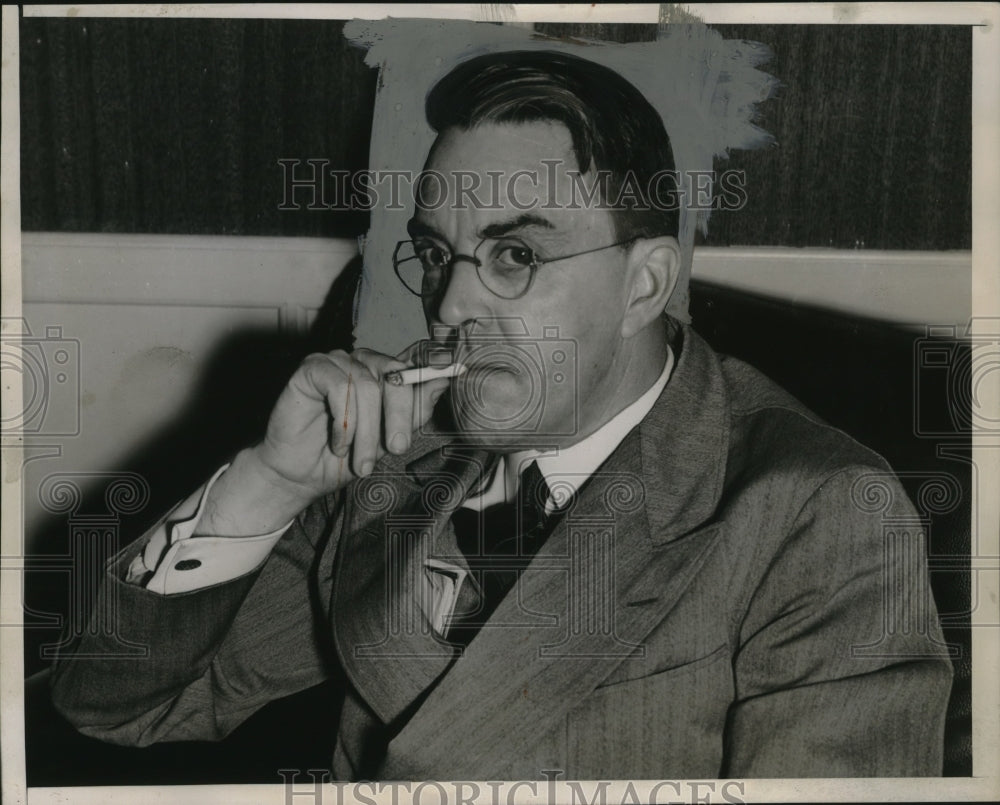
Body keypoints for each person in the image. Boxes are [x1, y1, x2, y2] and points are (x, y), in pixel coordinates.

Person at [50, 50, 952, 780]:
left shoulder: (817, 512)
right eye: (437, 255)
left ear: (645, 283)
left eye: (515, 253)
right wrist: (268, 483)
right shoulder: (396, 454)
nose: (448, 308)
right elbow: (115, 706)